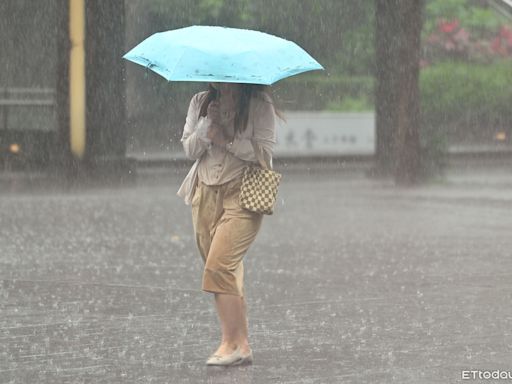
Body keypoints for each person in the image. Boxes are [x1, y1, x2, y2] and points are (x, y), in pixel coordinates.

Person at [177, 82, 277, 366]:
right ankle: (241, 344)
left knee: (219, 266)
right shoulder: (200, 101)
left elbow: (263, 153)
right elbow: (189, 149)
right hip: (204, 194)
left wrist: (226, 140)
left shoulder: (259, 104)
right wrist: (207, 123)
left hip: (242, 194)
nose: (219, 80)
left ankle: (229, 343)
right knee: (224, 270)